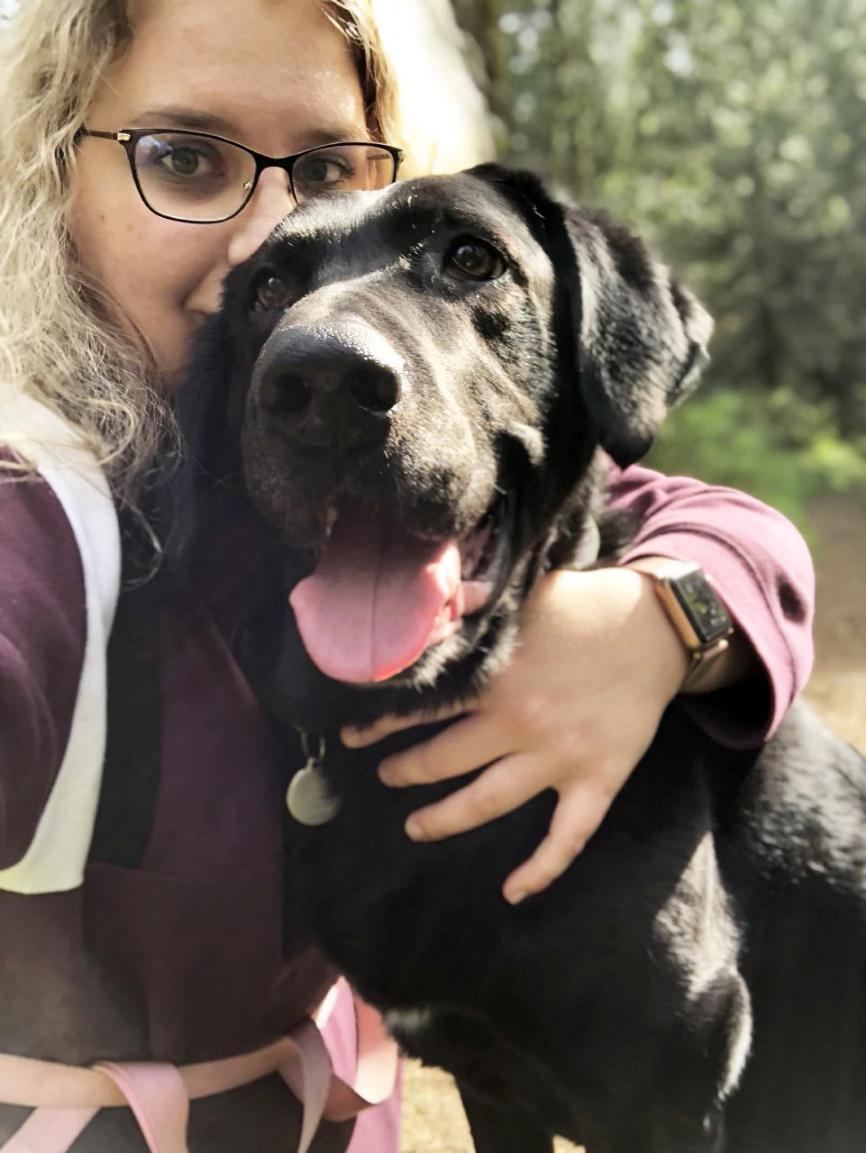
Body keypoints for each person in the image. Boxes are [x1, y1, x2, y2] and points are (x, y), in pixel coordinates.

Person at [0, 1, 815, 1151]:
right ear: (46, 179)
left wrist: (663, 615)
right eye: (182, 161)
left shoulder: (500, 503)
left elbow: (690, 514)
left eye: (330, 166)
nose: (264, 245)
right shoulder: (28, 506)